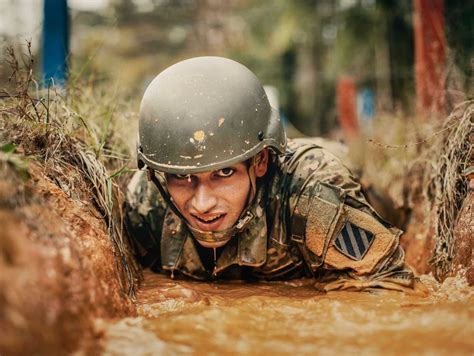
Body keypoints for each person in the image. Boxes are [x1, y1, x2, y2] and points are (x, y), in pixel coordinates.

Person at [125, 56, 416, 292]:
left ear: (260, 161)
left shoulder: (313, 195)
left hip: (366, 190)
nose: (202, 204)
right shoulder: (147, 205)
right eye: (184, 178)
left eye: (224, 173)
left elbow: (389, 286)